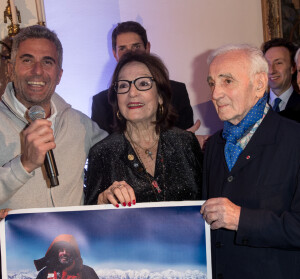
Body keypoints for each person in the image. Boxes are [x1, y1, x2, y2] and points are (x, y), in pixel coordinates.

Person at [201, 44, 300, 279]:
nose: (215, 93)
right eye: (212, 83)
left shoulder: (295, 140)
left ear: (258, 85)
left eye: (227, 81)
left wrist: (241, 219)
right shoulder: (214, 145)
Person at [0, 25, 107, 209]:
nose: (38, 70)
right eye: (27, 60)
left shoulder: (80, 124)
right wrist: (24, 164)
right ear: (10, 69)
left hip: (72, 237)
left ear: (59, 75)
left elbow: (118, 154)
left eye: (47, 62)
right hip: (18, 238)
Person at [85, 52, 202, 206]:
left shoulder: (186, 143)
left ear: (160, 96)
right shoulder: (102, 153)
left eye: (143, 84)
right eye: (123, 85)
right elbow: (90, 220)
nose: (132, 93)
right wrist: (102, 201)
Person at [92, 21, 194, 134]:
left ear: (147, 48)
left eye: (136, 46)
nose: (130, 53)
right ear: (115, 54)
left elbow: (187, 139)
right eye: (122, 48)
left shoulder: (177, 91)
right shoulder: (101, 103)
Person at [33, 234, 106, 279]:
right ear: (57, 253)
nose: (64, 253)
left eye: (67, 250)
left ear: (73, 253)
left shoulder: (86, 271)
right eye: (61, 250)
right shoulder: (45, 272)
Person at [262, 37, 300, 121]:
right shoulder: (255, 107)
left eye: (278, 63)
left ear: (293, 68)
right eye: (267, 64)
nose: (271, 70)